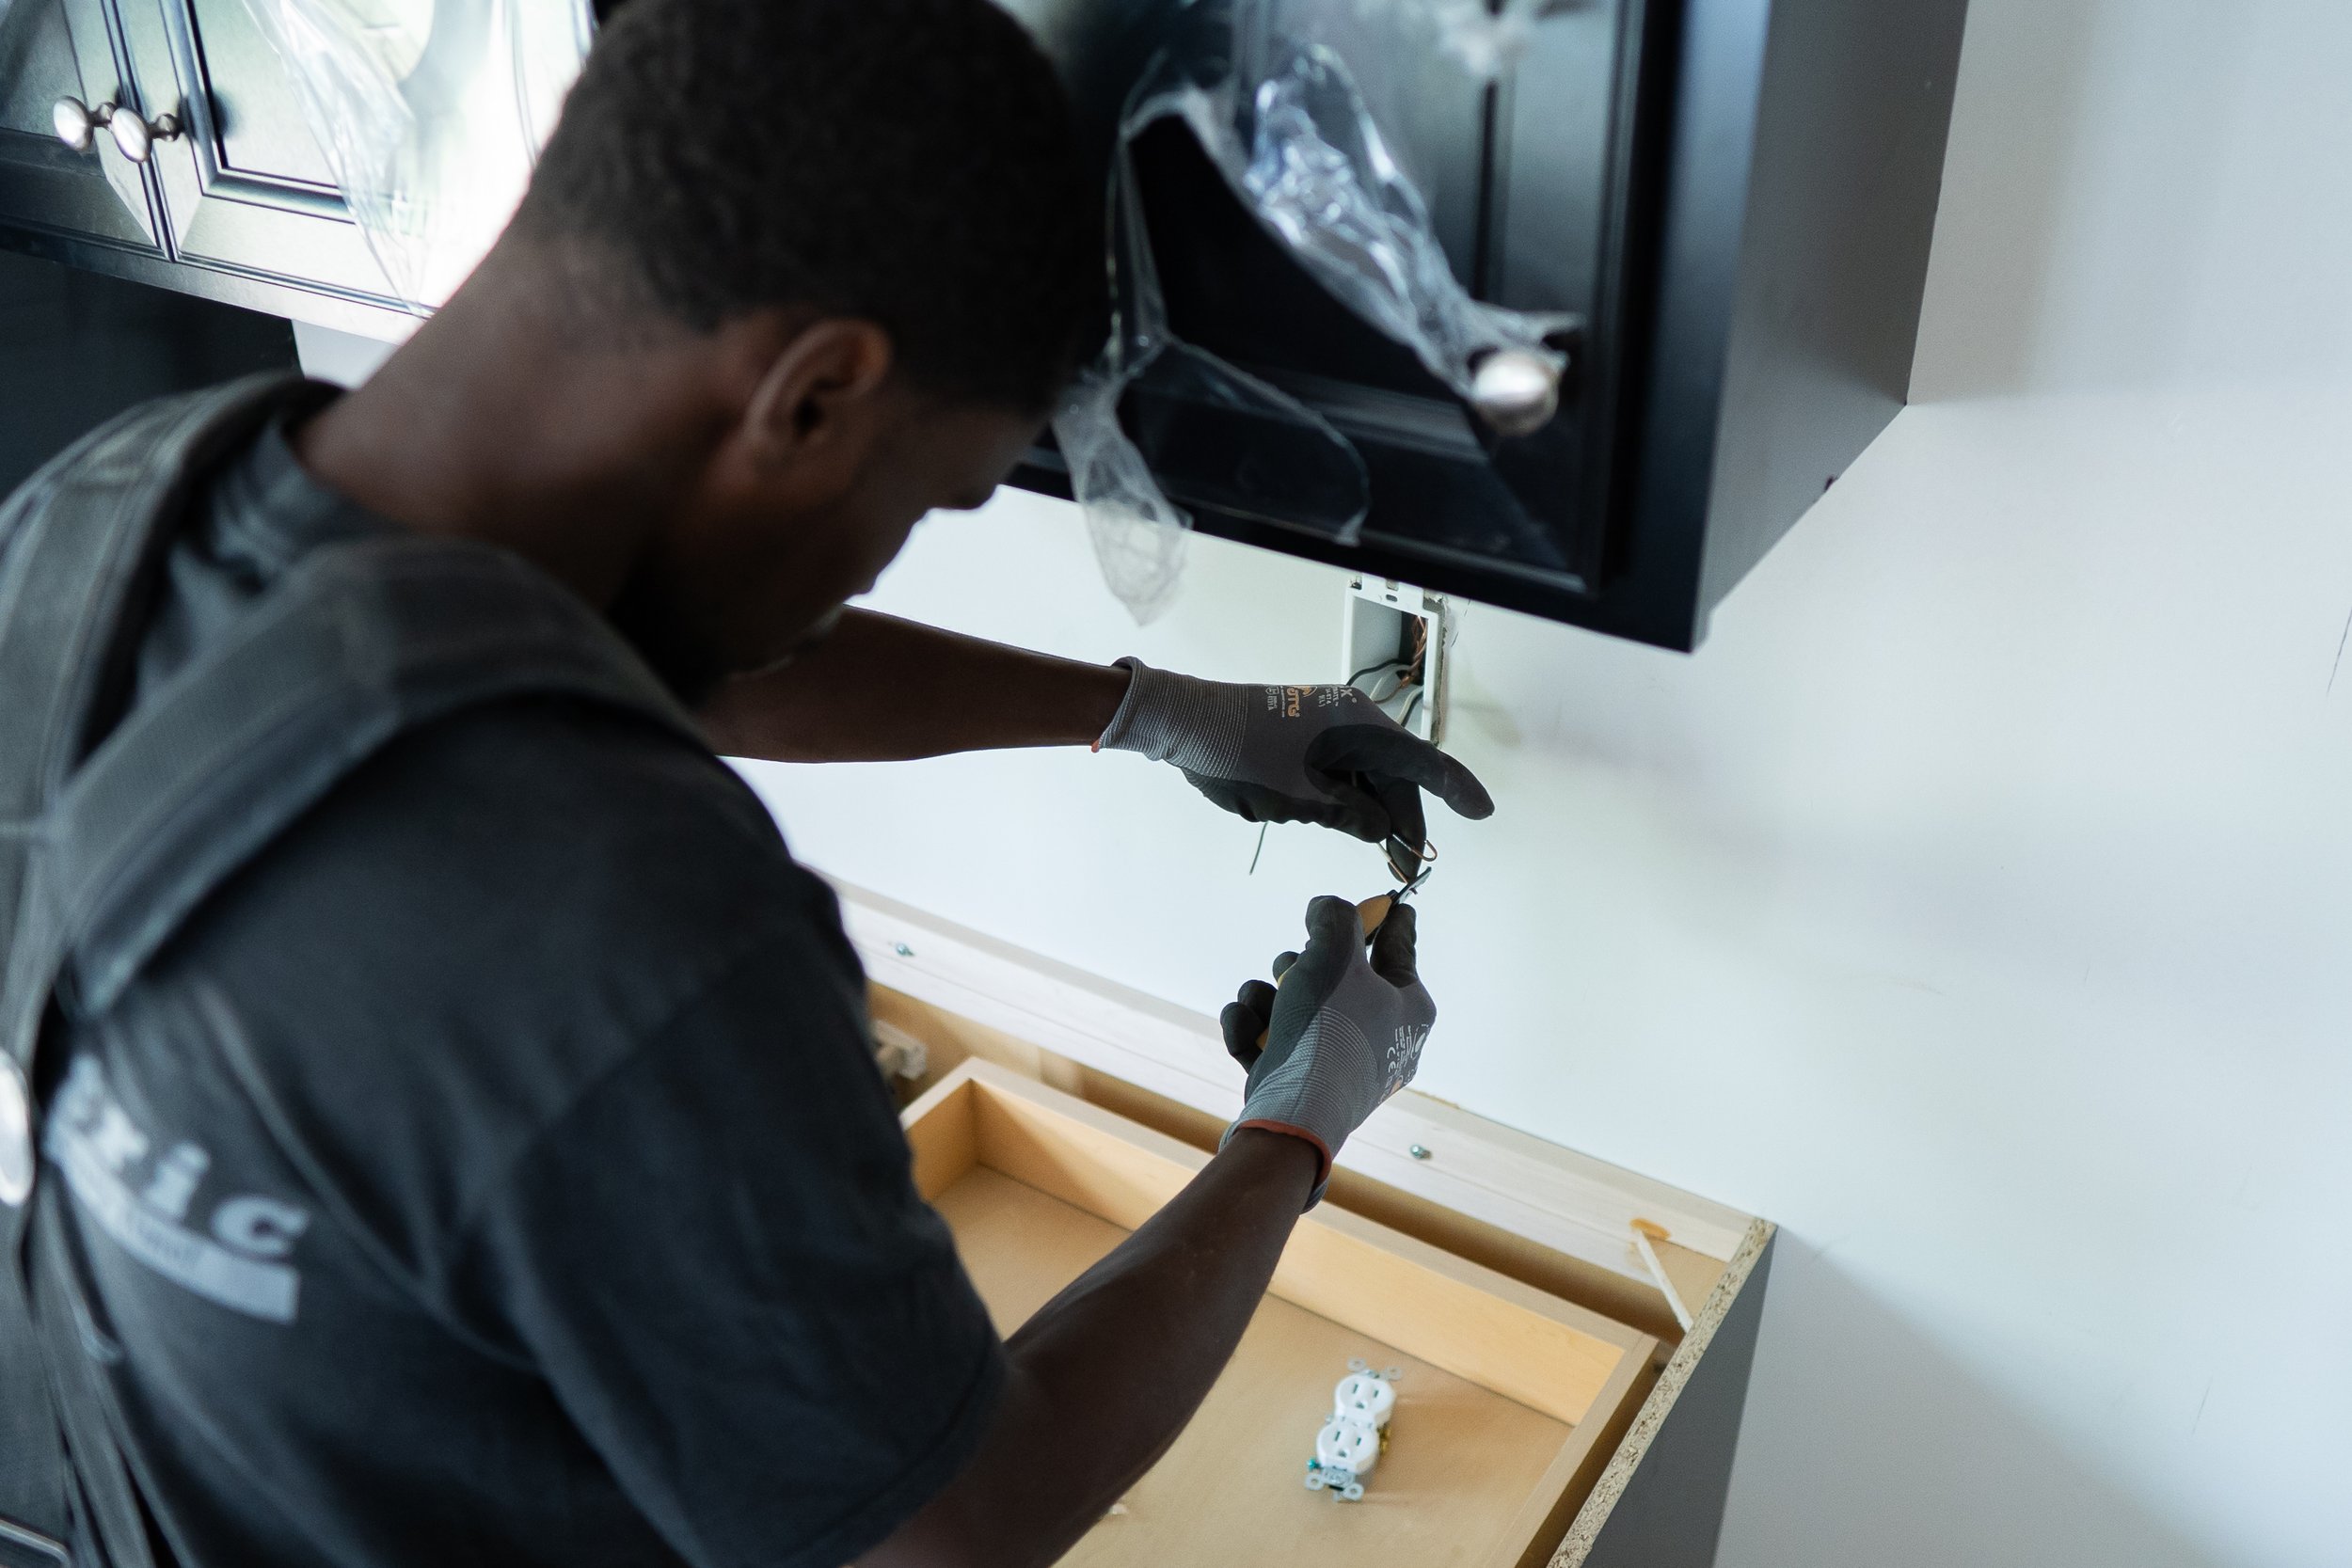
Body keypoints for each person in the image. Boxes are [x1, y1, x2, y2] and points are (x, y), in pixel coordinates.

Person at [0, 1, 1491, 1565]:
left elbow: (622, 652)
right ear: (814, 392)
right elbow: (940, 1536)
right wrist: (1293, 1137)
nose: (867, 568)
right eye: (925, 497)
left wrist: (1167, 712)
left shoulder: (108, 518)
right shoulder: (628, 924)